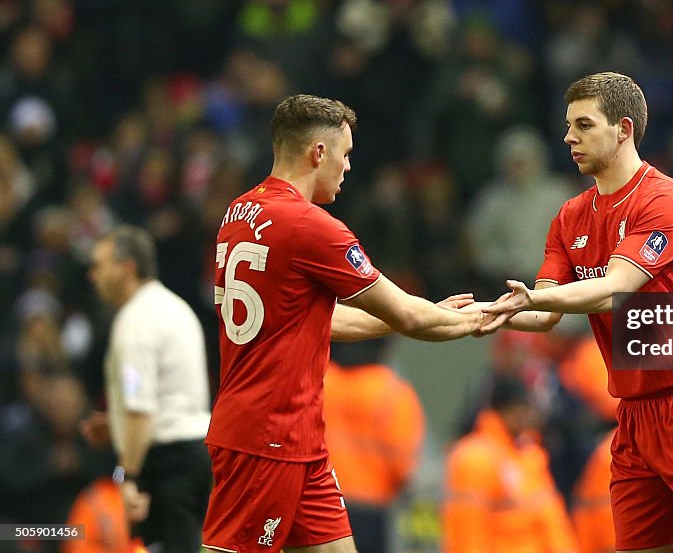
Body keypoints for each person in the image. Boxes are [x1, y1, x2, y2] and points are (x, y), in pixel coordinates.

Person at [202, 94, 490, 553]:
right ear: (319, 153)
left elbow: (320, 318)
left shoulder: (239, 213)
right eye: (346, 154)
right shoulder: (311, 226)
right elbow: (411, 314)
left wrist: (407, 318)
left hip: (299, 438)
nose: (348, 167)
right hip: (268, 436)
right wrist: (482, 316)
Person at [484, 72, 673, 552]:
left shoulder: (666, 201)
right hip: (632, 415)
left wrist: (531, 299)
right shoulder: (569, 216)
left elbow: (615, 291)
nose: (569, 137)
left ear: (623, 129)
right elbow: (544, 313)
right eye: (568, 126)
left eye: (583, 125)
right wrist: (480, 316)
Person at [84, 226, 213, 553]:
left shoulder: (134, 325)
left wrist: (127, 477)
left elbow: (141, 409)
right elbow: (168, 396)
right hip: (202, 453)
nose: (92, 274)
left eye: (100, 265)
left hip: (166, 465)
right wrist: (117, 425)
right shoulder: (175, 308)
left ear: (128, 267)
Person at [441, 375, 579, 553]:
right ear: (511, 410)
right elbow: (468, 533)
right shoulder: (475, 459)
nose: (534, 416)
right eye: (528, 408)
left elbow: (552, 522)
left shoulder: (529, 456)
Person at [323, 338, 426, 553]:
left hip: (322, 502)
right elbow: (403, 466)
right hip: (372, 510)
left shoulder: (323, 379)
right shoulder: (393, 392)